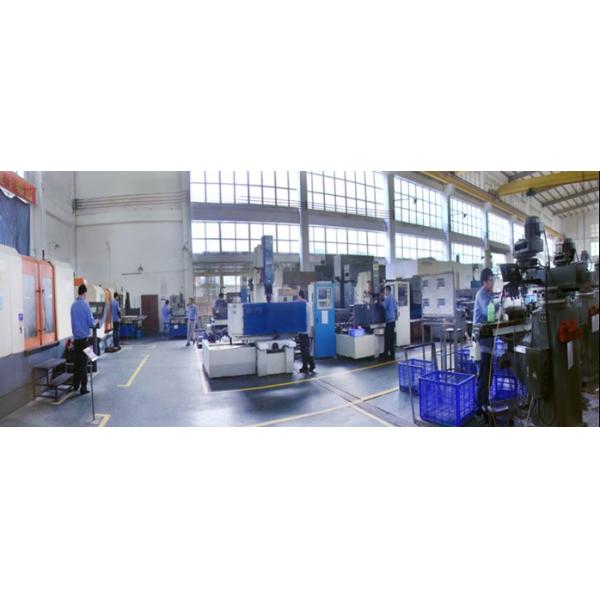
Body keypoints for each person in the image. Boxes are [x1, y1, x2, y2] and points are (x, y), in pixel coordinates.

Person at [473, 268, 496, 417]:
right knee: (483, 375)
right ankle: (479, 408)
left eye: (493, 280)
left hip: (488, 340)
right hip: (481, 342)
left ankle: (486, 402)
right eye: (490, 280)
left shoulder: (489, 294)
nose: (492, 283)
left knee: (489, 373)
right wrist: (501, 305)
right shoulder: (482, 294)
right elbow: (488, 311)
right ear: (484, 282)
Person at [70, 284, 98, 395]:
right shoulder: (86, 305)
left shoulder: (73, 305)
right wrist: (95, 322)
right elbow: (91, 323)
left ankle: (75, 385)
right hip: (84, 340)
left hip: (76, 340)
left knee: (77, 363)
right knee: (84, 364)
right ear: (85, 293)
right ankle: (84, 387)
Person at [296, 289, 315, 374]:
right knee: (303, 350)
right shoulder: (307, 304)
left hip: (304, 331)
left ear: (300, 296)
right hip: (304, 330)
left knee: (305, 350)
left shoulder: (303, 305)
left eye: (298, 296)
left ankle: (312, 364)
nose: (297, 298)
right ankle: (305, 366)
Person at [382, 285, 398, 360]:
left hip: (389, 322)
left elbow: (383, 306)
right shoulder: (393, 298)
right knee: (391, 339)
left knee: (387, 339)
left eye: (385, 290)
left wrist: (380, 300)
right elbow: (396, 309)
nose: (385, 292)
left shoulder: (388, 298)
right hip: (393, 321)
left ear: (388, 290)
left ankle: (385, 356)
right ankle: (392, 355)